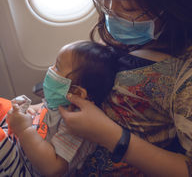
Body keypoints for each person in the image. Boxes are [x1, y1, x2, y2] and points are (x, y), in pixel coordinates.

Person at [59, 0, 192, 177]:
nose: (112, 15)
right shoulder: (126, 36)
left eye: (128, 7)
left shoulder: (189, 76)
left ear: (174, 6)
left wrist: (112, 136)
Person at [0, 40, 119, 177]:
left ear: (78, 93)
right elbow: (45, 112)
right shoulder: (60, 102)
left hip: (26, 169)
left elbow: (53, 169)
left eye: (57, 67)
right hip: (21, 147)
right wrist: (28, 110)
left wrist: (24, 130)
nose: (50, 69)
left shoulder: (76, 126)